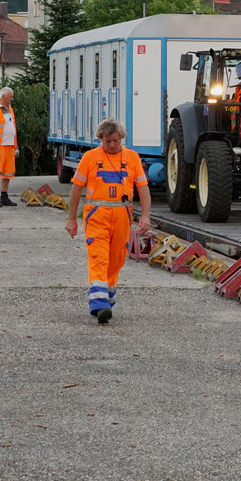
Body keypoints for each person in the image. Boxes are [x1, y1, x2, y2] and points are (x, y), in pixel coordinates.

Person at [64, 118, 151, 325]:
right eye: (107, 141)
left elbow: (143, 188)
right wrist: (71, 219)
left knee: (116, 261)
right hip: (97, 217)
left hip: (122, 218)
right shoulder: (90, 158)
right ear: (100, 139)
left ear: (121, 138)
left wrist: (146, 216)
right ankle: (99, 304)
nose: (112, 145)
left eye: (115, 141)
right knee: (99, 257)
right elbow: (76, 188)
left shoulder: (132, 158)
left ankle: (106, 301)